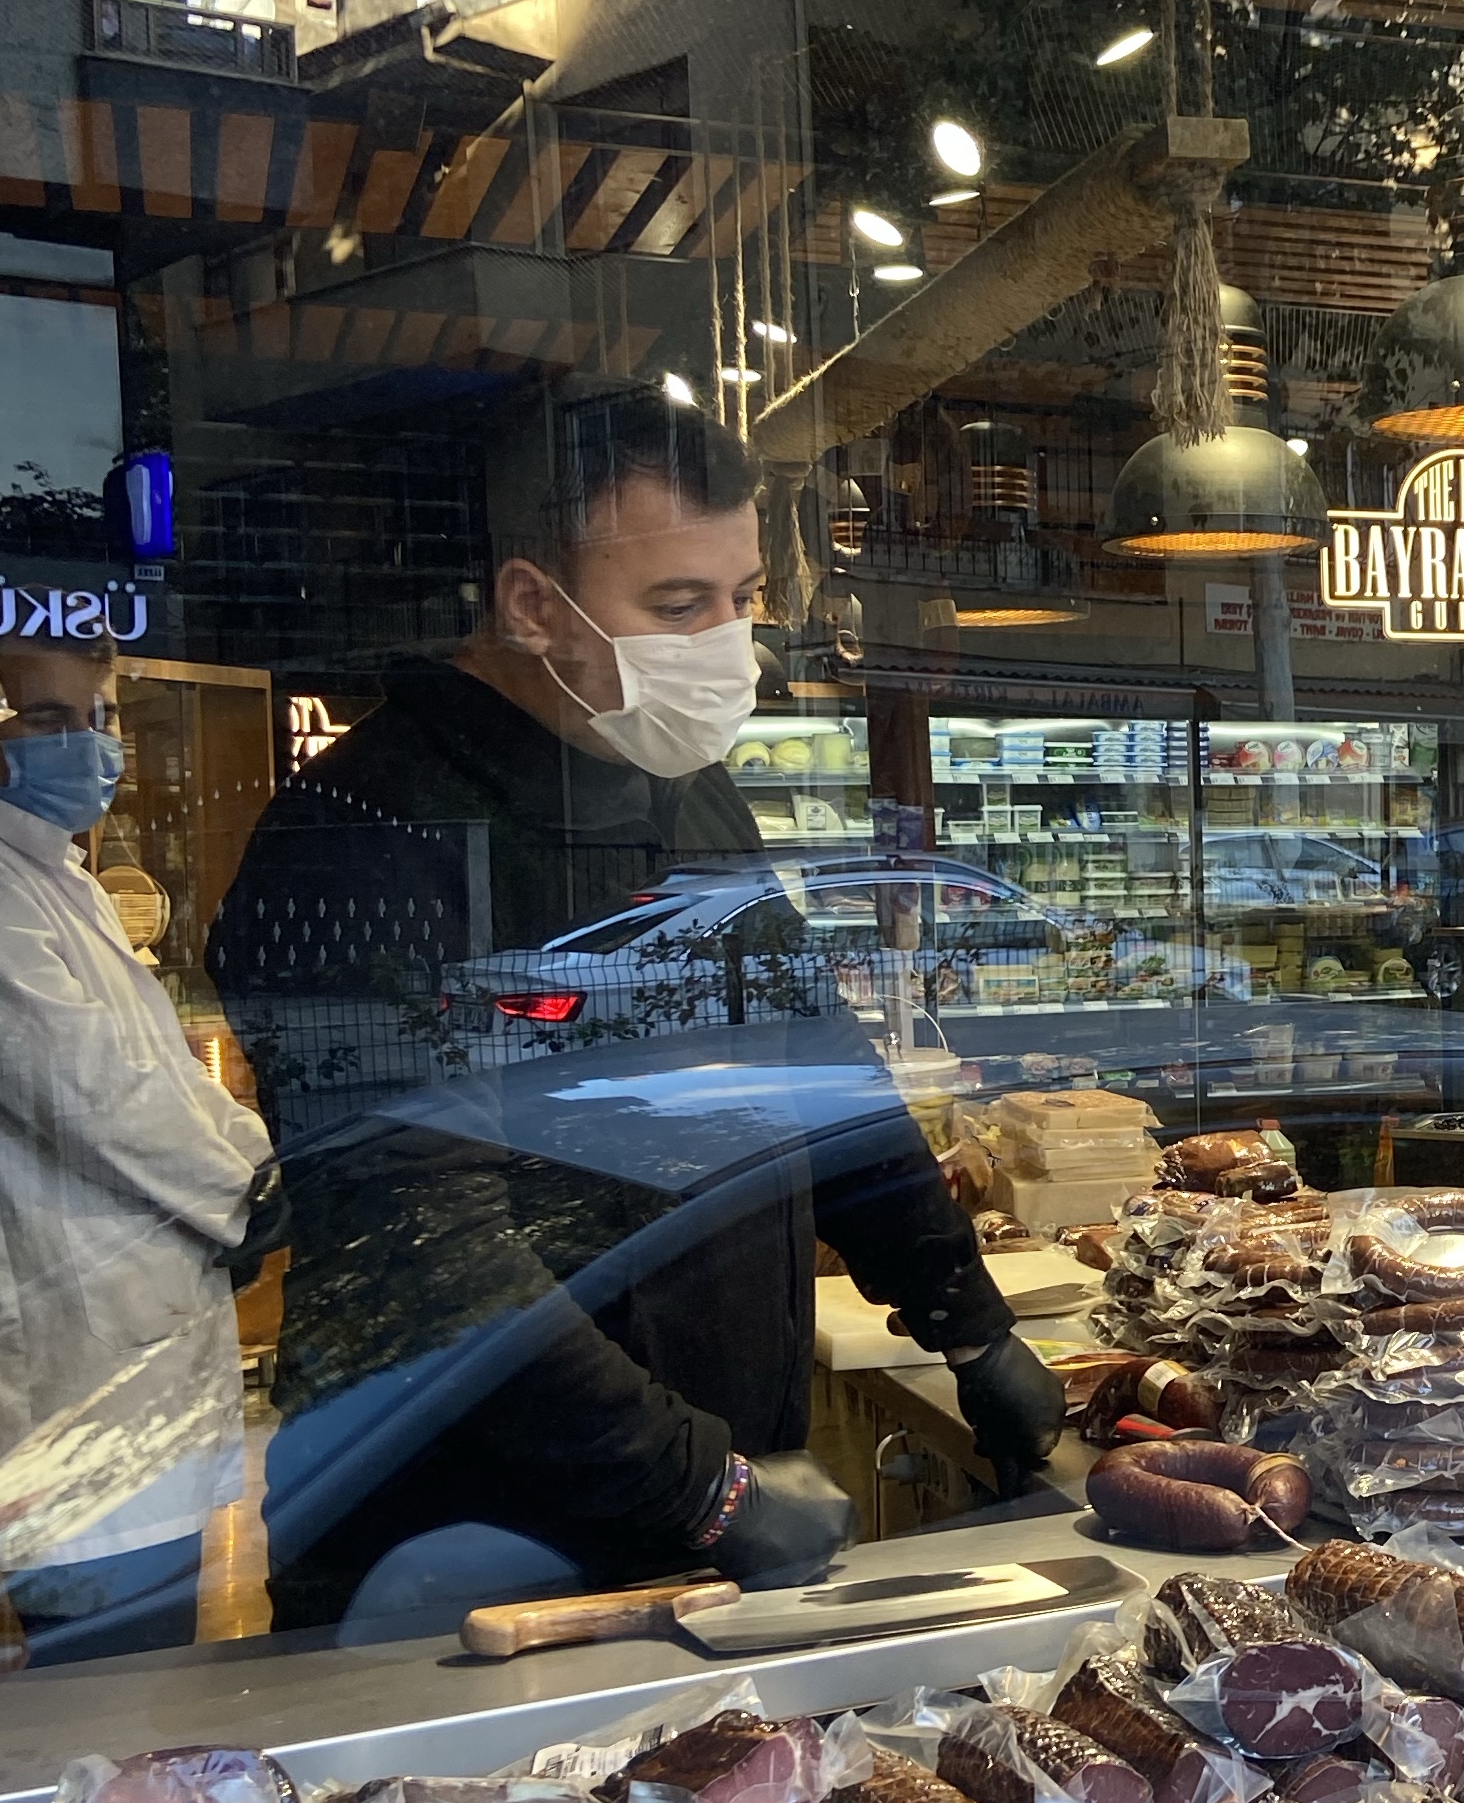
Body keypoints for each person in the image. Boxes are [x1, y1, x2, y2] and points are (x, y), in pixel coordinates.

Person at [208, 382, 1065, 1634]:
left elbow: (819, 1075)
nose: (727, 644)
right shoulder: (357, 841)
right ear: (532, 606)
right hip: (458, 1550)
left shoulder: (684, 791)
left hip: (703, 1509)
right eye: (677, 606)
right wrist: (701, 1488)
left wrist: (966, 1321)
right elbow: (428, 1253)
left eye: (742, 597)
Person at [0, 609, 280, 1662]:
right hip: (72, 1366)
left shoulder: (52, 872)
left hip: (136, 1353)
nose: (86, 745)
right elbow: (93, 1093)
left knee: (154, 1666)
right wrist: (254, 1193)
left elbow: (160, 1077)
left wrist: (258, 1164)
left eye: (97, 718)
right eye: (46, 719)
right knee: (107, 1689)